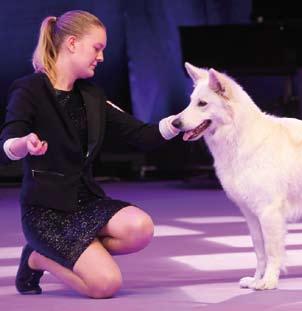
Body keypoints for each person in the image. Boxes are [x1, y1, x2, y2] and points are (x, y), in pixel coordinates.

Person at [0, 10, 180, 298]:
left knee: (140, 228)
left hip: (86, 204)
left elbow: (141, 134)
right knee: (105, 285)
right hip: (46, 212)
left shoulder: (92, 95)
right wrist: (24, 143)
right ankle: (38, 256)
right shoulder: (29, 89)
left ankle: (68, 251)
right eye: (97, 48)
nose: (102, 57)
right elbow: (8, 141)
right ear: (72, 43)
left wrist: (182, 122)